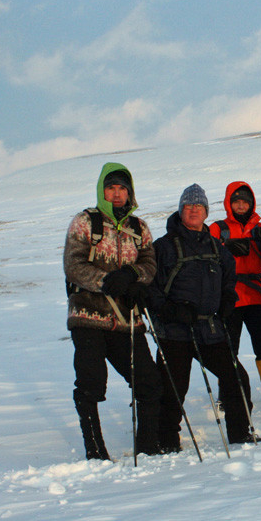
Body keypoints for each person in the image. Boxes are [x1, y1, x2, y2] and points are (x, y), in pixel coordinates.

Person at [147, 183, 261, 451]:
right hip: (174, 329)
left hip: (209, 327)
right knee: (173, 388)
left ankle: (240, 432)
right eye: (188, 206)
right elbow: (151, 290)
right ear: (180, 210)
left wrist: (228, 302)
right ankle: (166, 440)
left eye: (198, 207)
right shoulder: (163, 247)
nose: (193, 211)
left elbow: (229, 279)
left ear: (205, 211)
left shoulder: (216, 246)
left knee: (236, 377)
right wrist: (170, 310)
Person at [63, 162, 162, 460]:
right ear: (102, 190)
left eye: (122, 188)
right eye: (111, 188)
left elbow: (149, 264)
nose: (117, 194)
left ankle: (147, 447)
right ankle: (95, 450)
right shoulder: (85, 222)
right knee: (91, 383)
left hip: (127, 320)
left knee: (149, 382)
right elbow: (73, 265)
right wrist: (106, 281)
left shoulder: (139, 227)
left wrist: (133, 276)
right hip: (88, 316)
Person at [210, 181, 261, 405]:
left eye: (245, 201)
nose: (241, 205)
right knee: (228, 347)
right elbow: (205, 255)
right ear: (229, 203)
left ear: (252, 204)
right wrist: (223, 249)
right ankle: (228, 393)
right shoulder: (217, 229)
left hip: (258, 295)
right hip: (229, 295)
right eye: (237, 201)